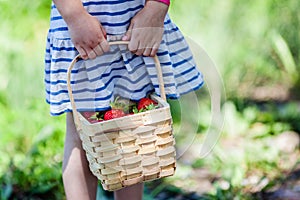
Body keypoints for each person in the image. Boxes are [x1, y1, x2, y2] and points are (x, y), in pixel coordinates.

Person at [44, 0, 204, 199]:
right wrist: (74, 15)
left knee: (131, 131)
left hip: (136, 24)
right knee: (81, 132)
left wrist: (156, 9)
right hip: (81, 24)